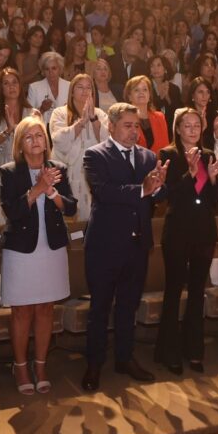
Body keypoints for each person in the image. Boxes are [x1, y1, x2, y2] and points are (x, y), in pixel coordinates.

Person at [81, 102, 169, 392]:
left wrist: (160, 187)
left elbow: (155, 197)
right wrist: (144, 189)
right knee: (100, 308)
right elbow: (104, 193)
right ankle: (94, 364)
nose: (134, 131)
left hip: (137, 244)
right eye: (127, 125)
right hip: (105, 245)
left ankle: (124, 358)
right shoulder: (95, 155)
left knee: (128, 306)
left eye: (136, 126)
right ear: (112, 126)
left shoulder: (147, 156)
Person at [0, 116, 77, 395]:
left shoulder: (58, 169)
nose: (36, 141)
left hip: (51, 249)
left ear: (47, 141)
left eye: (40, 136)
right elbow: (13, 211)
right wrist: (36, 189)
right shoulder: (10, 172)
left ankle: (41, 366)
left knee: (45, 309)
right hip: (21, 251)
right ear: (20, 145)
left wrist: (52, 191)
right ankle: (20, 366)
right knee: (21, 311)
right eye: (29, 137)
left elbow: (70, 208)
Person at [153, 108, 218, 374]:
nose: (193, 130)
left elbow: (215, 202)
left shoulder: (208, 155)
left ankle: (194, 350)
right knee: (173, 292)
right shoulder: (168, 155)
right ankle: (168, 351)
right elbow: (168, 196)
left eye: (197, 125)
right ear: (178, 129)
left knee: (197, 293)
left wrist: (214, 177)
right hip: (178, 232)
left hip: (204, 232)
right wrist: (191, 174)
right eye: (187, 125)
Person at [49, 73, 106, 221]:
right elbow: (58, 140)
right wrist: (81, 122)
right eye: (80, 87)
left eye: (89, 87)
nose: (85, 91)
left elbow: (107, 141)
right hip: (69, 172)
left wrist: (93, 119)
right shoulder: (60, 113)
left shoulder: (100, 114)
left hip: (92, 174)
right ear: (72, 91)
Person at [0, 67, 35, 173]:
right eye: (6, 83)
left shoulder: (32, 113)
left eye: (15, 82)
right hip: (0, 173)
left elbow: (38, 146)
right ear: (1, 88)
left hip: (27, 170)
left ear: (20, 86)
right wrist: (7, 131)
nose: (12, 86)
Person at [125, 74, 169, 154]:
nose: (141, 93)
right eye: (136, 90)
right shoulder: (124, 120)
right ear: (129, 96)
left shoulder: (160, 117)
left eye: (145, 90)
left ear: (149, 95)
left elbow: (165, 147)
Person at [27, 51, 70, 119]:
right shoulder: (34, 88)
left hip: (65, 127)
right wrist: (42, 109)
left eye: (54, 68)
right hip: (42, 128)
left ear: (60, 69)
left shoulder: (69, 86)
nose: (51, 72)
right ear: (43, 72)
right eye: (47, 69)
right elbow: (27, 118)